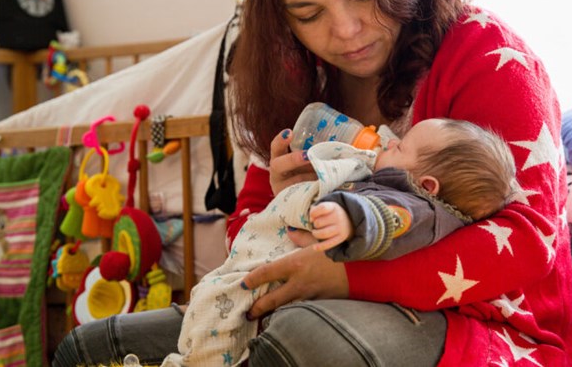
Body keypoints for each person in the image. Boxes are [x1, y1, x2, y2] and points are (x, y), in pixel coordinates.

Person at [53, 0, 572, 367]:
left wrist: (343, 278)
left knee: (303, 336)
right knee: (88, 346)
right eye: (309, 14)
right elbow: (248, 226)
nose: (346, 31)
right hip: (299, 299)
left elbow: (527, 239)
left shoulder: (484, 52)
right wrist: (284, 200)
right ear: (282, 18)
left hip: (486, 324)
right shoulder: (298, 80)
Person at [161, 116, 520, 366]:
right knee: (212, 311)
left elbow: (387, 219)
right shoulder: (403, 186)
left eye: (401, 147)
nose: (389, 142)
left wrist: (347, 218)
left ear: (427, 186)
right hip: (271, 265)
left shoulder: (418, 209)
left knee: (217, 324)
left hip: (290, 280)